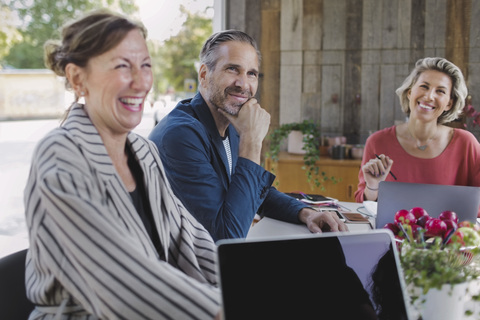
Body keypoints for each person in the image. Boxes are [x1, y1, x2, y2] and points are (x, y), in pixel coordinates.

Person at [24, 10, 221, 319]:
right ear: (78, 78)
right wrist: (222, 309)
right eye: (122, 66)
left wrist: (241, 289)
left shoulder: (144, 152)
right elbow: (121, 278)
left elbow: (190, 240)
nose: (141, 82)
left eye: (146, 66)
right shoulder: (60, 155)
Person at [149, 30, 347, 241]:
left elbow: (253, 191)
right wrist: (251, 141)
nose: (244, 84)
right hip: (182, 268)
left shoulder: (231, 123)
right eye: (233, 69)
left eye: (251, 73)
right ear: (204, 75)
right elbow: (227, 237)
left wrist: (306, 213)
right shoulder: (181, 135)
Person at [355, 57, 480, 205]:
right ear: (409, 92)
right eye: (424, 86)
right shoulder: (377, 142)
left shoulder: (466, 143)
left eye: (440, 91)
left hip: (451, 228)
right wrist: (373, 186)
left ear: (449, 104)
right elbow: (362, 203)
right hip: (392, 228)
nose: (429, 96)